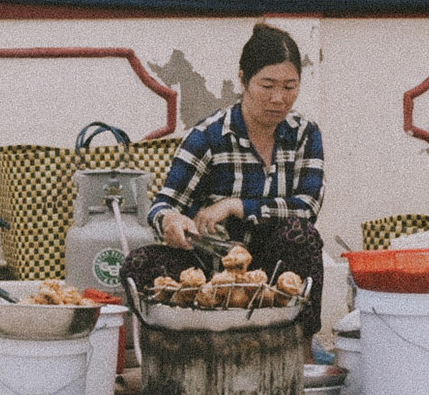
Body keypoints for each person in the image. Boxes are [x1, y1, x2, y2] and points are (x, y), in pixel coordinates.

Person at [125, 23, 326, 338]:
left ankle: (300, 350)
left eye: (290, 86)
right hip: (207, 270)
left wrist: (237, 206)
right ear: (244, 80)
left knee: (302, 235)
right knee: (139, 264)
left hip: (271, 269)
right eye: (267, 85)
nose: (279, 98)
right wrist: (170, 220)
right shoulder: (208, 136)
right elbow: (162, 205)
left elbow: (307, 207)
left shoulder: (304, 134)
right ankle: (175, 352)